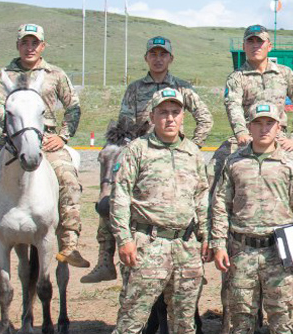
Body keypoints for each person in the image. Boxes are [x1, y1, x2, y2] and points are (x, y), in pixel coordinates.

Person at [0, 24, 89, 268]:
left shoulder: (55, 74)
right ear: (18, 45)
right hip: (12, 138)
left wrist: (63, 137)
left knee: (68, 180)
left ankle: (69, 243)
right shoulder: (6, 75)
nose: (29, 48)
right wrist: (15, 130)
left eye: (34, 43)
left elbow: (73, 106)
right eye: (24, 43)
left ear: (42, 46)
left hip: (46, 139)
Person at [106, 89, 210, 334]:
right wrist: (123, 238)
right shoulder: (137, 150)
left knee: (183, 316)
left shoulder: (193, 152)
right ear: (152, 117)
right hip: (148, 243)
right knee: (134, 313)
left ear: (183, 117)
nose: (169, 118)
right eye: (163, 112)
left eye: (175, 112)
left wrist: (206, 235)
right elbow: (120, 196)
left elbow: (202, 196)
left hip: (186, 245)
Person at [84, 35, 214, 284]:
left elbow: (205, 119)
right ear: (146, 58)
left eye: (162, 54)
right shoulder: (134, 89)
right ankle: (105, 260)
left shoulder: (183, 89)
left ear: (170, 59)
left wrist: (189, 148)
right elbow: (125, 125)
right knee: (111, 198)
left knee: (197, 202)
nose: (158, 59)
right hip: (143, 156)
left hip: (176, 156)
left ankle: (193, 264)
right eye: (153, 54)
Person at [210, 103, 293, 334]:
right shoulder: (234, 162)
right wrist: (217, 243)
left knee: (281, 317)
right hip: (242, 250)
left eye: (270, 123)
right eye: (258, 123)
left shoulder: (289, 162)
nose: (264, 128)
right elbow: (220, 205)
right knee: (241, 318)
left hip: (279, 250)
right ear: (249, 127)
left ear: (279, 127)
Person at [209, 25, 293, 181]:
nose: (255, 45)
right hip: (247, 135)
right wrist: (241, 132)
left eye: (260, 41)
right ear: (244, 47)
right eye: (251, 41)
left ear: (269, 46)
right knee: (215, 167)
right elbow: (233, 106)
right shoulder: (236, 77)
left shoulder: (284, 73)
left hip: (277, 134)